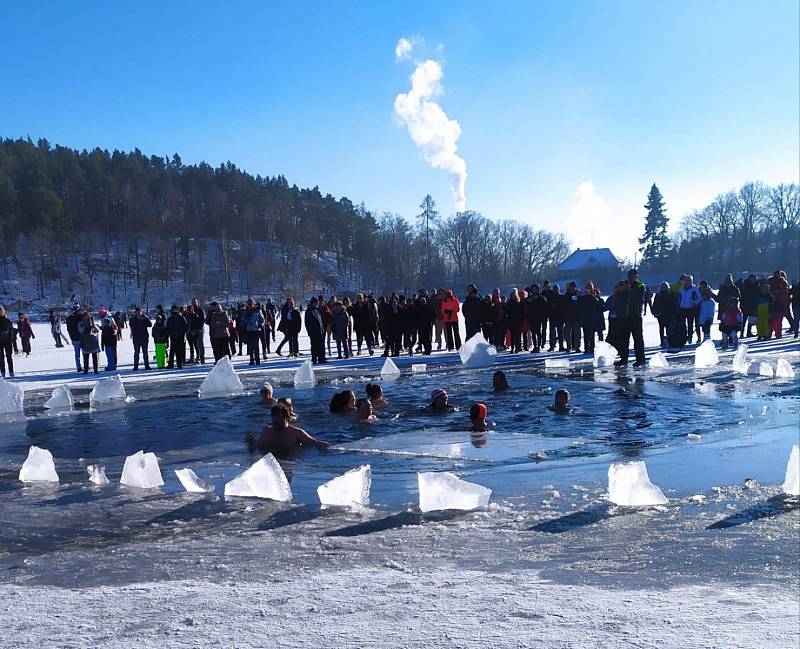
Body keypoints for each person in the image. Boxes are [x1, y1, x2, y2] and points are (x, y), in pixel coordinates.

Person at [245, 404, 330, 458]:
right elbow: (257, 446)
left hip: (289, 460)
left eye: (279, 417)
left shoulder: (295, 432)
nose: (276, 420)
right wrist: (250, 441)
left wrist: (320, 444)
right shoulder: (267, 431)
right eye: (274, 417)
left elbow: (313, 442)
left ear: (286, 418)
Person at [613, 269, 646, 367]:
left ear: (637, 276)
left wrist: (629, 289)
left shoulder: (640, 286)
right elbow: (615, 292)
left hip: (635, 316)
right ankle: (624, 359)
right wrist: (620, 289)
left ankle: (640, 359)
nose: (631, 278)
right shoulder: (623, 285)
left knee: (638, 339)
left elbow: (639, 298)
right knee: (623, 339)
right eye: (630, 276)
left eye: (633, 276)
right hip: (624, 316)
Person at [652, 282, 677, 350]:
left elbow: (674, 304)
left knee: (669, 329)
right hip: (660, 315)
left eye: (665, 286)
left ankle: (669, 341)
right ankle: (662, 341)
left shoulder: (671, 294)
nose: (664, 287)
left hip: (669, 314)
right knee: (661, 328)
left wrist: (674, 313)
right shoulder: (658, 295)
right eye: (663, 286)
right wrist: (655, 312)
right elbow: (655, 304)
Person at [676, 275, 701, 344]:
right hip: (682, 309)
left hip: (691, 309)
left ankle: (690, 338)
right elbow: (679, 297)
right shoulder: (681, 288)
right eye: (687, 280)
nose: (688, 282)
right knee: (683, 324)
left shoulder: (694, 288)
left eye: (689, 280)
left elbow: (699, 297)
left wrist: (695, 303)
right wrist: (678, 304)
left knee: (690, 324)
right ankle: (684, 338)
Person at [129, 306, 152, 371]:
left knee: (145, 352)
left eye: (139, 312)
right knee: (136, 352)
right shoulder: (133, 319)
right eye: (137, 312)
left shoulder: (144, 318)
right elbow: (131, 325)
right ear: (135, 312)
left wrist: (146, 319)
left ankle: (147, 366)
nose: (138, 313)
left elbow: (150, 325)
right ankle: (135, 366)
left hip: (144, 337)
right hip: (136, 338)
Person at [243, 299, 265, 366]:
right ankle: (251, 359)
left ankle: (257, 359)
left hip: (255, 330)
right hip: (249, 330)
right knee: (250, 346)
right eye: (248, 304)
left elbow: (262, 320)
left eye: (251, 304)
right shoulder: (246, 312)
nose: (250, 305)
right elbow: (243, 320)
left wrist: (259, 325)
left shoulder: (257, 311)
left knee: (256, 346)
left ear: (254, 304)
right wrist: (244, 324)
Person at [305, 297, 326, 364]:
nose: (318, 304)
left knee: (320, 345)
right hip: (313, 332)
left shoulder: (317, 310)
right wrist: (311, 332)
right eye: (316, 303)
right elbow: (307, 323)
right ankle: (314, 359)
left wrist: (322, 329)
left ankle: (321, 358)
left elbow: (320, 320)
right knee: (314, 346)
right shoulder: (309, 311)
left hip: (319, 331)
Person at [98, 306, 118, 371]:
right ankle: (111, 365)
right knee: (109, 355)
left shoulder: (109, 318)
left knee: (111, 355)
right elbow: (103, 335)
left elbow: (115, 327)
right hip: (107, 342)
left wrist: (115, 331)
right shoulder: (103, 319)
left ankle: (112, 366)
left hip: (111, 342)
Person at [65, 305, 83, 372]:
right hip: (81, 337)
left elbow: (68, 329)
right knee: (84, 352)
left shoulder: (69, 319)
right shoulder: (80, 317)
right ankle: (84, 365)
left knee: (77, 353)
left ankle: (79, 367)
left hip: (74, 338)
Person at [0, 307, 15, 377]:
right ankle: (3, 373)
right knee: (1, 358)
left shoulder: (8, 321)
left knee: (9, 357)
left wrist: (11, 340)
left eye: (1, 311)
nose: (0, 313)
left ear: (4, 312)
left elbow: (11, 332)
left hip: (7, 342)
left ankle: (11, 372)